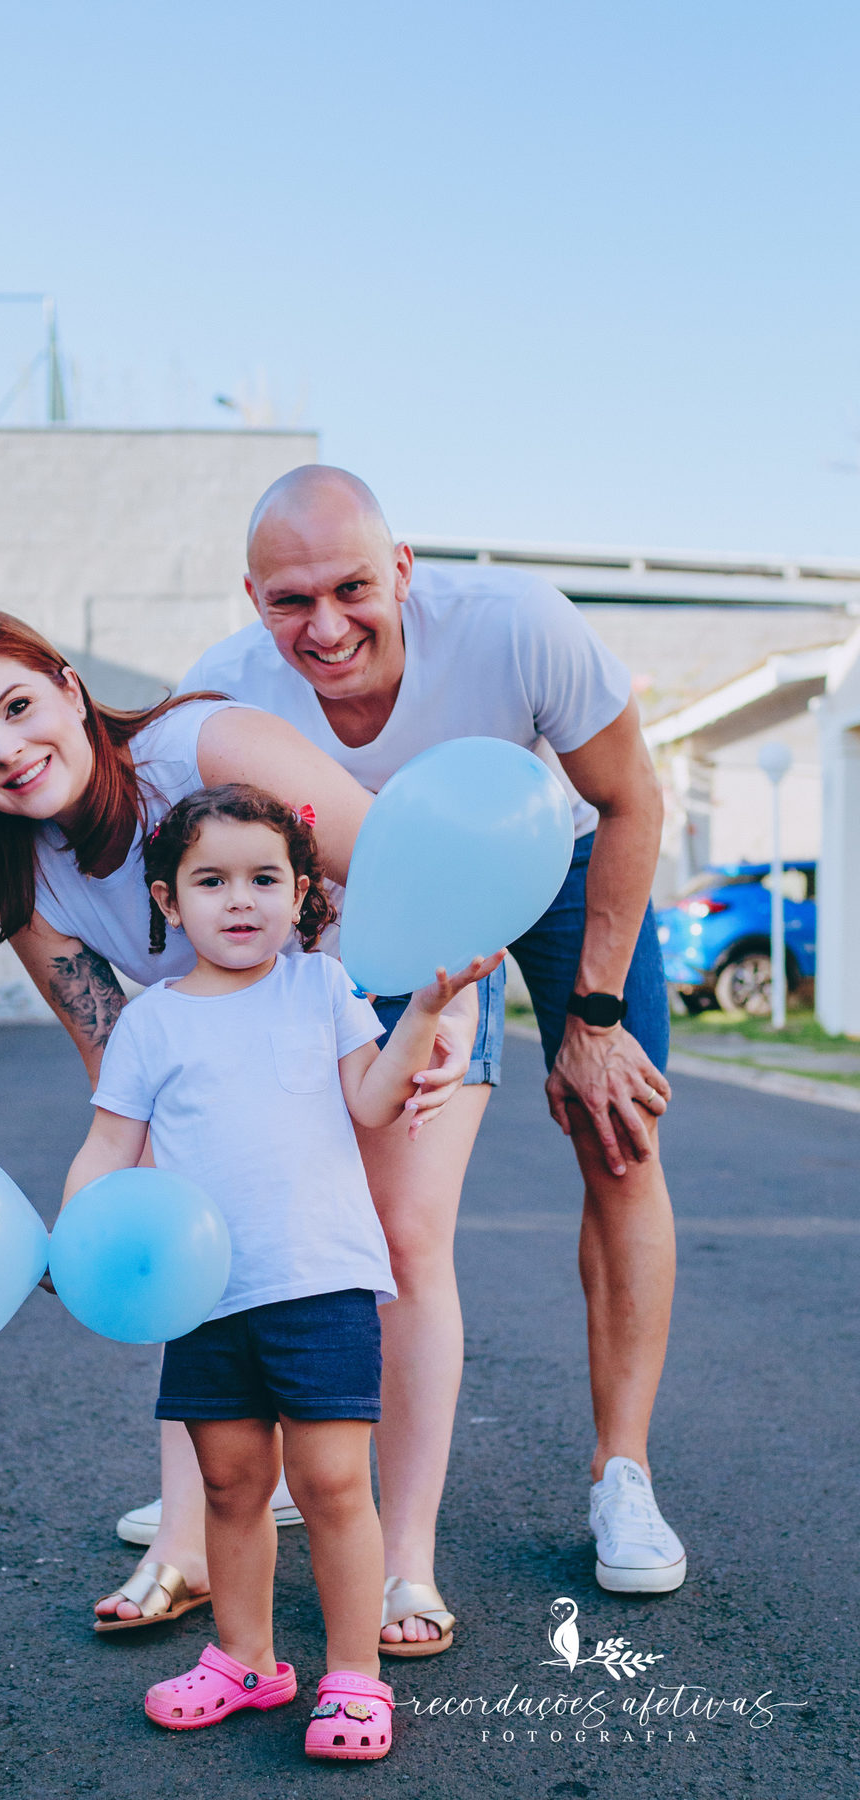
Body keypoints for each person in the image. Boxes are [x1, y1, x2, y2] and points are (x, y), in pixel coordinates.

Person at [0, 607, 480, 1637]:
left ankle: (408, 1566)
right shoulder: (31, 874)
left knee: (398, 1243)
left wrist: (453, 1017)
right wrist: (110, 1226)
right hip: (222, 1028)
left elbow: (403, 867)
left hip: (401, 981)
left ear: (71, 690)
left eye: (18, 707)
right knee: (206, 1256)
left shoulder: (201, 746)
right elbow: (112, 1060)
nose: (6, 752)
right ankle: (190, 1539)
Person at [167, 465, 685, 1627]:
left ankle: (623, 1476)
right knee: (331, 1173)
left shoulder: (518, 631)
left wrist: (592, 1022)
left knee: (619, 1138)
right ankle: (285, 1452)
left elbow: (632, 800)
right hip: (357, 899)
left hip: (547, 860)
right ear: (253, 600)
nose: (328, 625)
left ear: (402, 570)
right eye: (292, 601)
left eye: (352, 587)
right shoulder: (221, 693)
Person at [61, 782, 501, 1761]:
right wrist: (73, 1232)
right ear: (171, 902)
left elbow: (377, 1101)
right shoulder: (153, 1024)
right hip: (206, 1293)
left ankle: (354, 1677)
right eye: (211, 880)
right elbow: (107, 1146)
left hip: (321, 1283)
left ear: (301, 892)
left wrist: (426, 1010)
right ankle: (247, 1660)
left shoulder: (321, 989)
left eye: (265, 878)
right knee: (229, 1484)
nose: (241, 899)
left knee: (336, 1483)